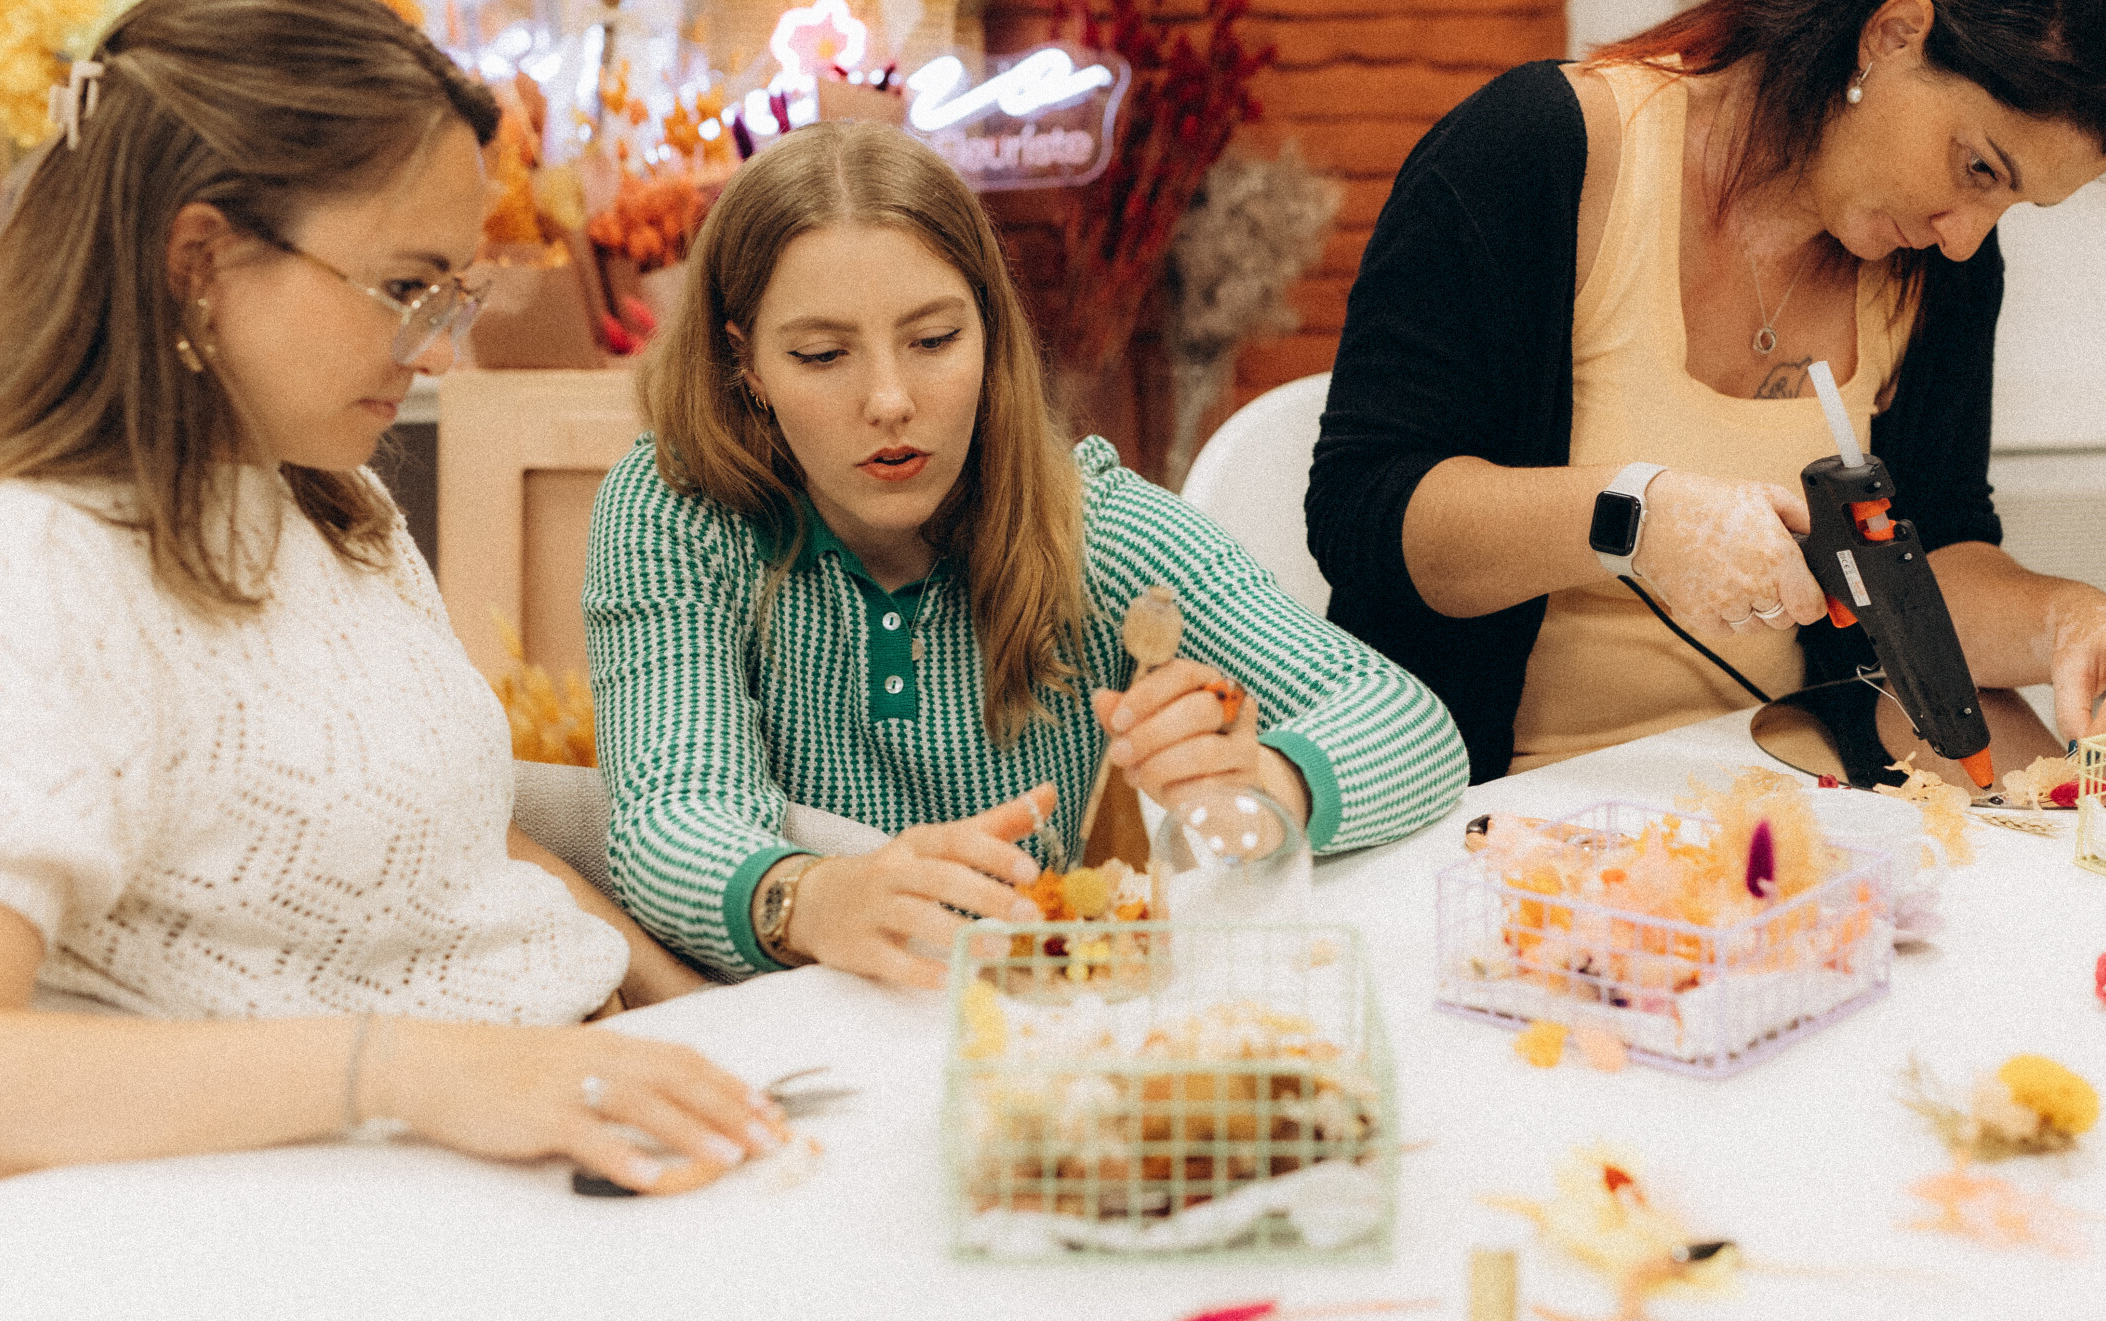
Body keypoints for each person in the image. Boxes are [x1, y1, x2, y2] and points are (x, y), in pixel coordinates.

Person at [0, 0, 774, 1201]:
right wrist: (417, 1072)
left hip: (562, 1121)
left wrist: (707, 1027)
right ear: (197, 260)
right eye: (404, 286)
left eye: (451, 288)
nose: (442, 346)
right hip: (353, 1221)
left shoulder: (338, 506)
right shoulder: (16, 566)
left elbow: (457, 854)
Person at [1308, 0, 2106, 783]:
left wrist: (2069, 621)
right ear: (1894, 35)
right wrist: (1636, 516)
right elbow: (1367, 515)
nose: (1966, 237)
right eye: (1978, 168)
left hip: (1780, 790)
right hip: (1484, 796)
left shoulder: (1937, 267)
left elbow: (1933, 555)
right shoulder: (1540, 154)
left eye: (2012, 204)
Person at [585, 119, 1469, 987]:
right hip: (787, 1030)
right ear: (746, 364)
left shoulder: (1093, 522)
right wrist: (811, 897)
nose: (890, 400)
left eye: (934, 340)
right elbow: (672, 811)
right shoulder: (674, 515)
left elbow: (1409, 725)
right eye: (822, 355)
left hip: (1043, 1016)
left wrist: (1272, 776)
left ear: (990, 333)